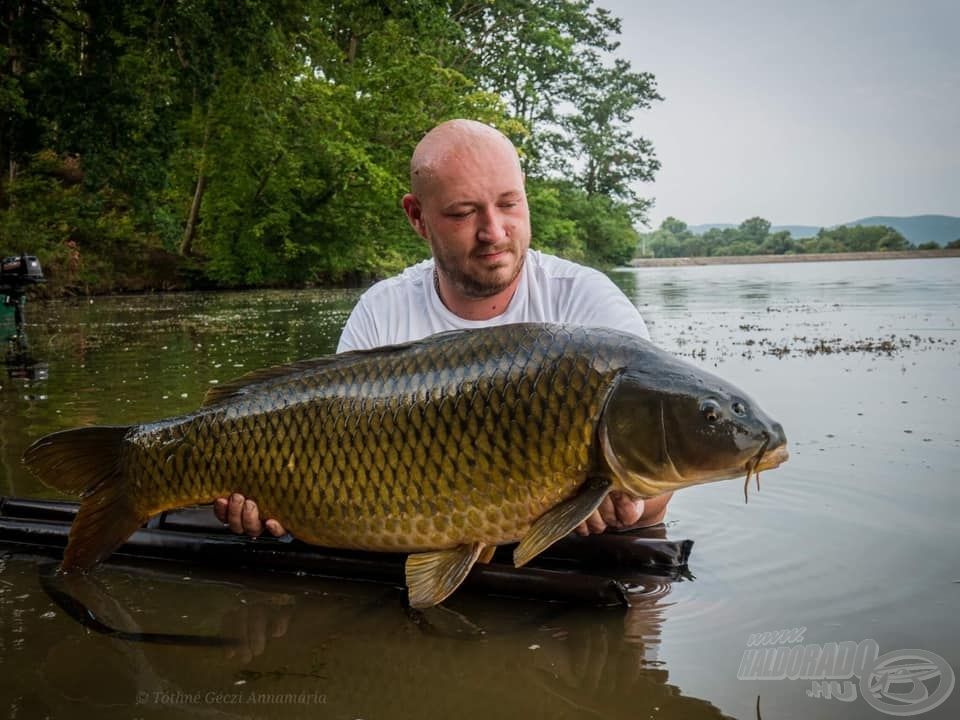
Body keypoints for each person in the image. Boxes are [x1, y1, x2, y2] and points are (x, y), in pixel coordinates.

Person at [215, 119, 672, 538]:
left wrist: (632, 505)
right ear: (417, 217)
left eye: (509, 204)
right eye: (462, 213)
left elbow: (659, 483)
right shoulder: (381, 311)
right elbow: (325, 458)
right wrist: (277, 504)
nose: (493, 231)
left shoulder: (586, 303)